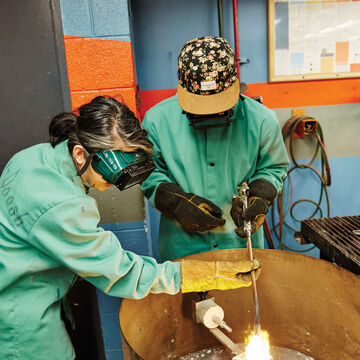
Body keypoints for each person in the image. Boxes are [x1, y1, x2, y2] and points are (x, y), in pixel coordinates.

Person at [0, 96, 261, 360]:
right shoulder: (61, 205)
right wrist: (202, 274)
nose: (116, 184)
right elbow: (122, 272)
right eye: (114, 175)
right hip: (18, 318)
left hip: (20, 284)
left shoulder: (33, 158)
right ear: (80, 153)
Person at [141, 36, 290, 261]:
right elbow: (149, 171)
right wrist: (176, 202)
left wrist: (260, 195)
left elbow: (274, 167)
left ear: (233, 83)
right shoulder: (156, 121)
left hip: (240, 244)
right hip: (182, 246)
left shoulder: (262, 121)